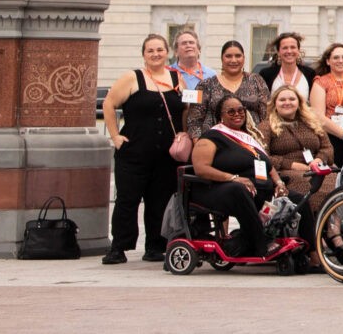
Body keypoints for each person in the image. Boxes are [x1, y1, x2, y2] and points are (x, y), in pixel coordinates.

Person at [103, 35, 185, 264]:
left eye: (160, 49)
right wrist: (115, 136)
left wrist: (185, 133)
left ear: (168, 52)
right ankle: (118, 247)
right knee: (127, 200)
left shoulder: (176, 78)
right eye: (151, 50)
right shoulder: (132, 77)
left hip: (166, 155)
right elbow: (108, 104)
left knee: (159, 201)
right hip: (135, 152)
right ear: (144, 54)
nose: (155, 54)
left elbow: (185, 109)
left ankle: (155, 246)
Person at [187, 95, 275, 259]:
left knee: (295, 197)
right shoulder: (211, 137)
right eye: (231, 111)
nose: (237, 114)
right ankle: (260, 244)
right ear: (221, 115)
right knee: (239, 189)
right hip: (213, 190)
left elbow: (267, 164)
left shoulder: (248, 137)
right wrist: (233, 177)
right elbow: (201, 169)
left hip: (255, 188)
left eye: (241, 110)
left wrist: (279, 182)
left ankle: (312, 254)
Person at [260, 85, 337, 248]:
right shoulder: (266, 126)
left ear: (299, 102)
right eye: (282, 99)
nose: (287, 102)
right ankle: (315, 236)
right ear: (275, 104)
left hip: (315, 168)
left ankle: (332, 231)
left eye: (291, 99)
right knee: (305, 184)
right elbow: (261, 155)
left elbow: (327, 148)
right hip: (285, 171)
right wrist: (291, 164)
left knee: (335, 181)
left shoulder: (311, 122)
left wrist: (319, 159)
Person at [188, 40, 270, 140]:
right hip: (216, 143)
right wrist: (199, 144)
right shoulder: (205, 85)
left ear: (244, 58)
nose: (233, 60)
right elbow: (194, 120)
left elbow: (266, 115)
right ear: (222, 59)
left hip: (251, 142)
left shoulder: (257, 81)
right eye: (228, 56)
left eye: (238, 56)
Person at [259, 32, 313, 98]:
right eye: (285, 48)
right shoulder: (266, 75)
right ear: (278, 52)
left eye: (293, 47)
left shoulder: (310, 74)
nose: (289, 51)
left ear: (298, 50)